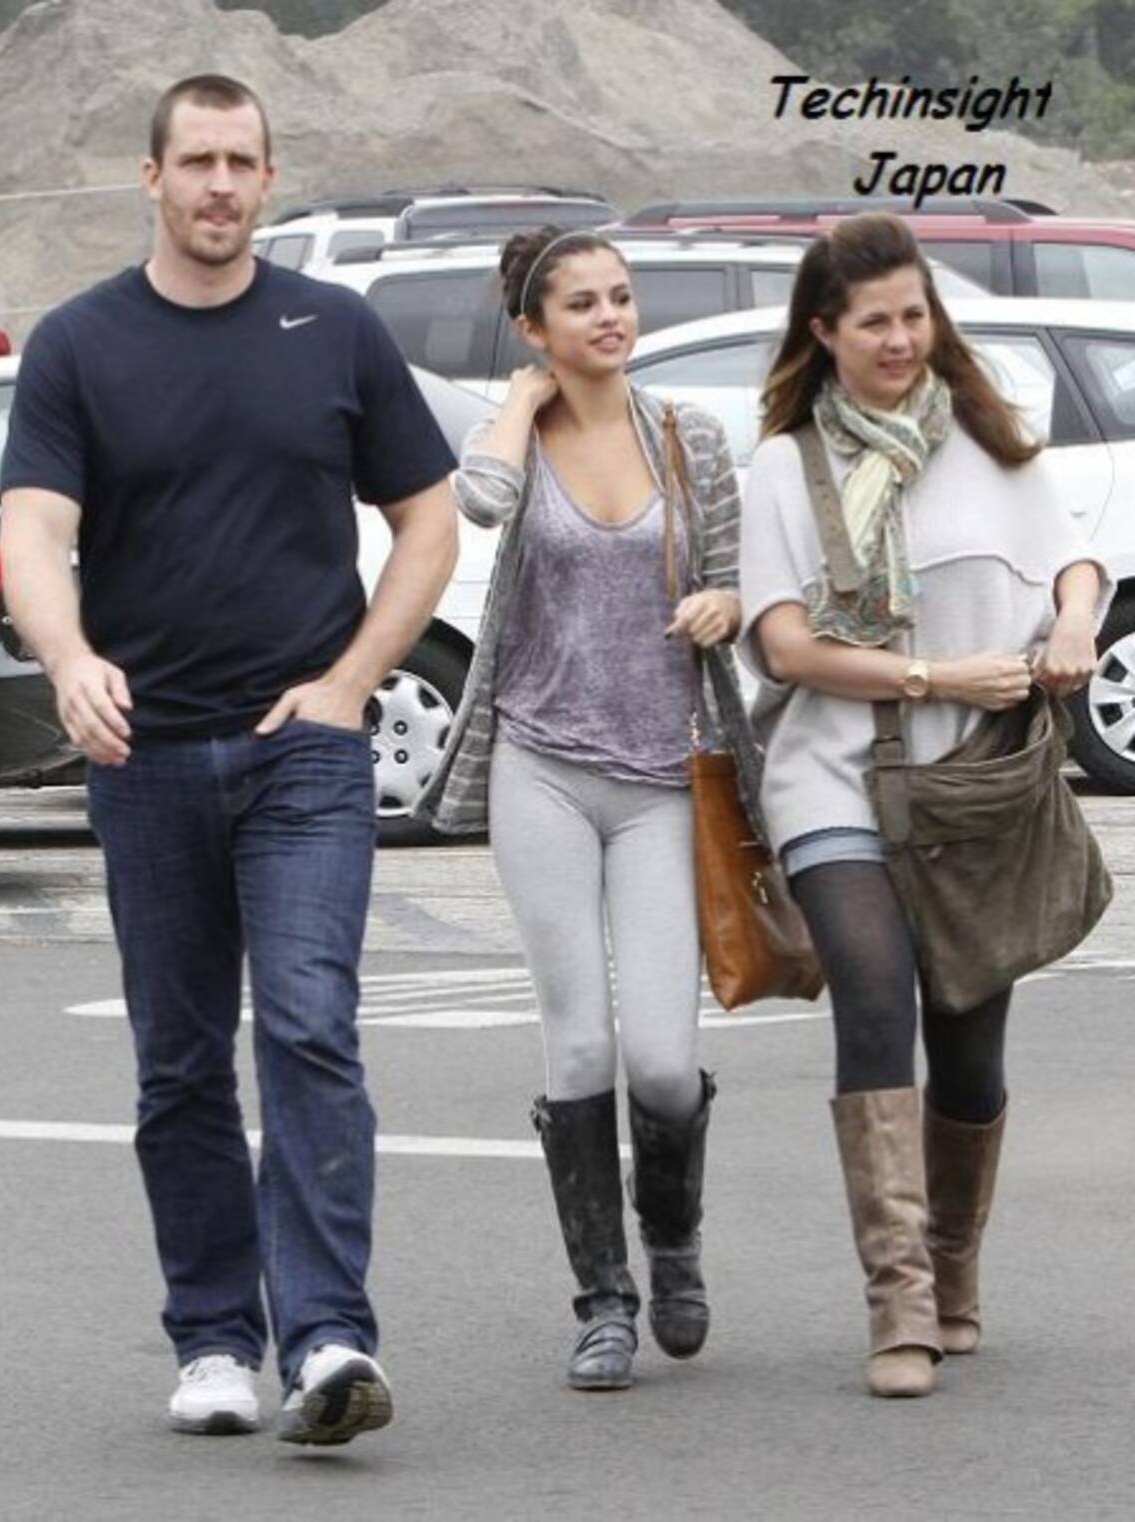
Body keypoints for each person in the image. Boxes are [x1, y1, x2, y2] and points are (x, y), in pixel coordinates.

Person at [0, 74, 458, 1443]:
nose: (217, 184)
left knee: (309, 1023)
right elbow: (33, 531)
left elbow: (429, 521)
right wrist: (69, 658)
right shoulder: (79, 343)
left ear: (268, 178)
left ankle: (326, 1339)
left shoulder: (336, 329)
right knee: (182, 1060)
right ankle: (213, 1340)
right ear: (151, 177)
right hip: (145, 755)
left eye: (240, 162)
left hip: (300, 751)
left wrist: (351, 684)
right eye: (194, 160)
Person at [738, 212, 1110, 1398]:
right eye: (875, 322)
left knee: (969, 1042)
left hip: (971, 788)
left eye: (914, 315)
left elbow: (1074, 561)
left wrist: (1072, 624)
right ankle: (897, 1300)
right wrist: (933, 675)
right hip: (833, 774)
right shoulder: (786, 464)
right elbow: (788, 648)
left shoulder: (989, 442)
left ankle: (953, 1269)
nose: (901, 338)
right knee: (873, 993)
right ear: (824, 332)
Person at [418, 226, 763, 1391]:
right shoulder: (515, 436)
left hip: (665, 775)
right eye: (581, 303)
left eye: (620, 296)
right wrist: (520, 405)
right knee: (577, 1040)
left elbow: (735, 576)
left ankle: (673, 1238)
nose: (612, 316)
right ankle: (604, 1302)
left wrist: (723, 602)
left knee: (662, 1061)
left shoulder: (689, 437)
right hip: (543, 767)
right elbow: (479, 502)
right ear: (535, 327)